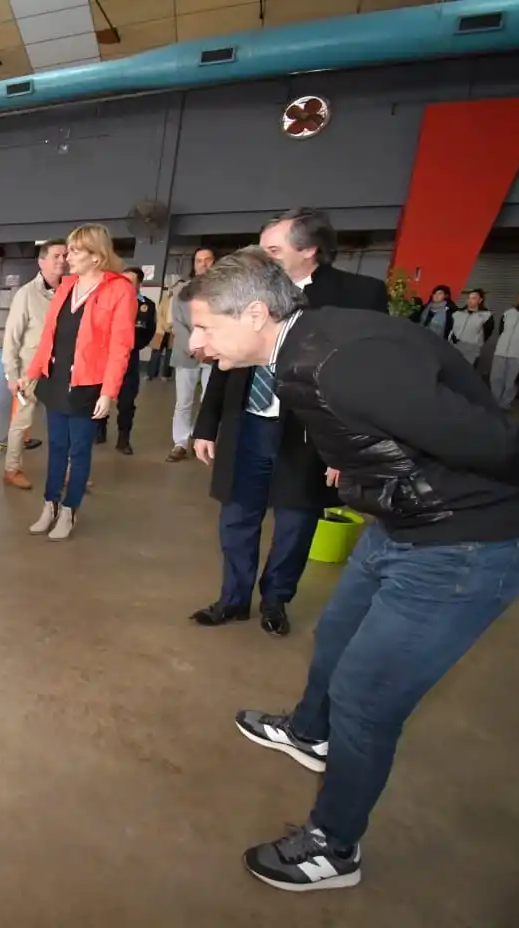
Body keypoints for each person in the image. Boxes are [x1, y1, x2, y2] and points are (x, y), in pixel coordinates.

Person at [183, 246, 519, 892]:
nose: (195, 345)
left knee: (366, 700)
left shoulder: (339, 365)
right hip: (400, 522)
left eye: (204, 328)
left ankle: (333, 848)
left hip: (463, 543)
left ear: (256, 313)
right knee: (336, 635)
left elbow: (495, 442)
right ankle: (309, 732)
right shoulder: (302, 348)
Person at [191, 207, 388, 636]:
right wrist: (206, 425)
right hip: (246, 422)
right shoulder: (248, 288)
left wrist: (347, 446)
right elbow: (224, 360)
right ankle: (233, 599)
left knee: (295, 524)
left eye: (273, 249)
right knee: (237, 518)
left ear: (310, 250)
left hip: (308, 434)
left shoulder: (357, 297)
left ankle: (276, 602)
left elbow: (364, 379)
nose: (263, 255)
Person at [20, 224, 137, 541]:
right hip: (55, 380)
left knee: (79, 450)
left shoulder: (119, 289)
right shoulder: (66, 286)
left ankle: (70, 509)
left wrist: (109, 392)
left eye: (74, 251)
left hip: (89, 385)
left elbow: (120, 346)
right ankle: (50, 505)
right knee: (56, 446)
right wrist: (31, 372)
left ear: (96, 256)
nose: (66, 256)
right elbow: (49, 337)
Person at [1, 239, 67, 490]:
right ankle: (11, 469)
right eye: (56, 256)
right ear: (41, 261)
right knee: (21, 422)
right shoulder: (26, 294)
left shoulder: (71, 292)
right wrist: (12, 374)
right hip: (30, 373)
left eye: (65, 255)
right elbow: (12, 338)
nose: (62, 260)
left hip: (61, 372)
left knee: (63, 423)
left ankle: (67, 470)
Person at [162, 247, 216, 463]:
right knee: (183, 401)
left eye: (208, 260)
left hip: (213, 354)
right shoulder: (182, 290)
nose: (203, 264)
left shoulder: (224, 290)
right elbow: (179, 322)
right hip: (187, 354)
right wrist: (193, 347)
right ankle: (180, 442)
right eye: (199, 260)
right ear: (193, 264)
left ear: (215, 262)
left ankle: (202, 438)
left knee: (208, 400)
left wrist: (210, 348)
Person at [99, 266, 156, 455]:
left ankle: (124, 439)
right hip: (106, 357)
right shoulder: (109, 301)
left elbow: (149, 332)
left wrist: (129, 345)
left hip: (130, 358)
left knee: (126, 401)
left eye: (130, 281)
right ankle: (99, 431)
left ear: (139, 284)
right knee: (100, 394)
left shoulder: (147, 306)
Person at [490, 286, 519, 408]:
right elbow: (501, 330)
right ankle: (494, 402)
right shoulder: (508, 313)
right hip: (501, 351)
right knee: (496, 378)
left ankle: (505, 404)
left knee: (511, 381)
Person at [449, 287, 493, 367]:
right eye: (469, 298)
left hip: (470, 351)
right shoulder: (457, 313)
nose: (470, 300)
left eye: (473, 298)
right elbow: (451, 327)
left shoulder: (486, 316)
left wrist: (475, 343)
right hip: (454, 347)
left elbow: (487, 332)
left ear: (480, 300)